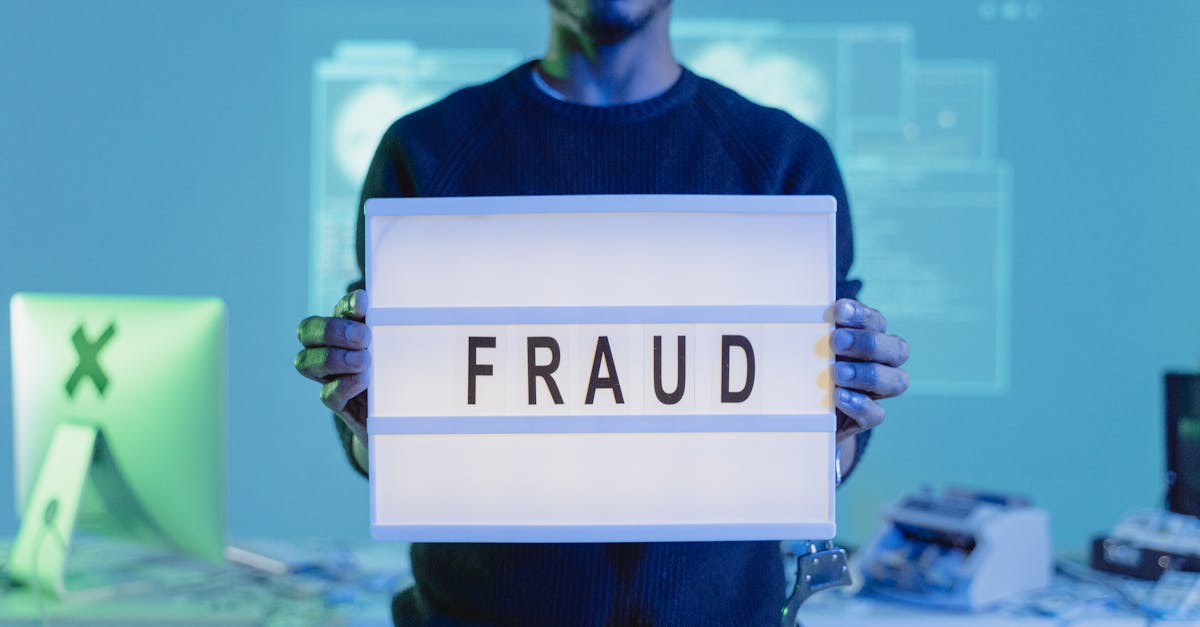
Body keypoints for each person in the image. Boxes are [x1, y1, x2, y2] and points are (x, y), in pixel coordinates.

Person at [295, 1, 910, 624]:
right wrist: (375, 423)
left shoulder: (781, 158)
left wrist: (834, 429)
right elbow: (377, 434)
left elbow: (829, 445)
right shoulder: (428, 148)